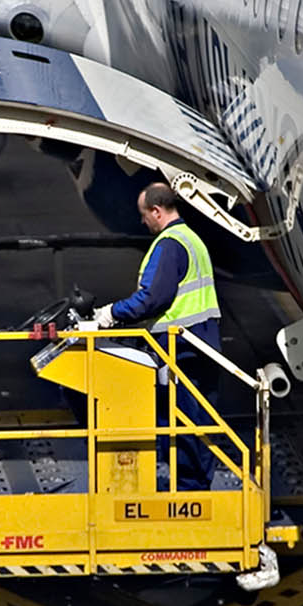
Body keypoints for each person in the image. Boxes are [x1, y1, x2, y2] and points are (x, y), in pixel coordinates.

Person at [85, 182, 222, 490]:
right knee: (199, 420)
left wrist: (111, 314)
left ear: (157, 211)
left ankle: (189, 491)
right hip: (202, 344)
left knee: (181, 420)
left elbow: (152, 299)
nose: (142, 221)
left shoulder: (169, 244)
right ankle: (197, 485)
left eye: (144, 214)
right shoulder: (191, 239)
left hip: (181, 347)